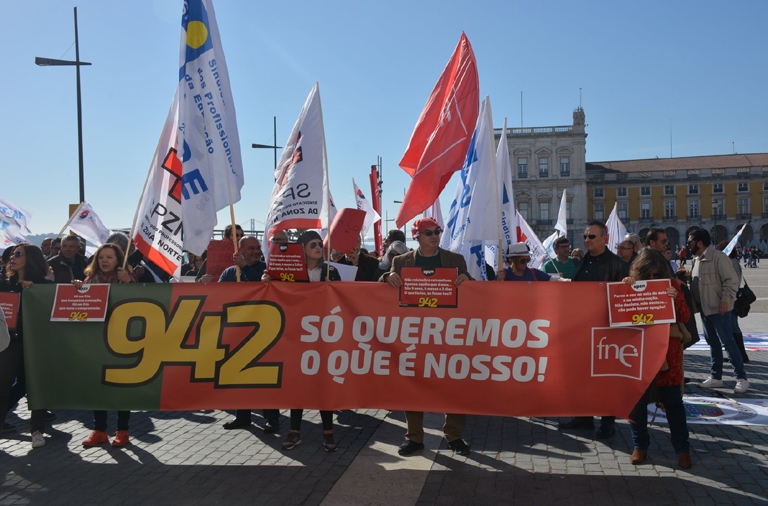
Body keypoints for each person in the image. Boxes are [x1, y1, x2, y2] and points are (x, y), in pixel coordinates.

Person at [379, 218, 472, 457]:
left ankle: (454, 435)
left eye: (437, 232)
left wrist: (467, 281)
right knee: (413, 384)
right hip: (414, 333)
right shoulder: (401, 261)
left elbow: (472, 287)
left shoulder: (455, 260)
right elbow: (382, 282)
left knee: (453, 383)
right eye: (428, 232)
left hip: (448, 333)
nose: (434, 236)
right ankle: (414, 437)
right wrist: (387, 279)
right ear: (416, 236)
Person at [262, 231, 341, 452]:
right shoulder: (288, 272)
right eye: (313, 244)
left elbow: (344, 297)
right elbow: (276, 293)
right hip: (297, 334)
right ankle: (295, 430)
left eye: (320, 244)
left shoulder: (330, 271)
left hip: (324, 334)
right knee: (298, 383)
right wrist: (267, 281)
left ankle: (328, 431)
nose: (318, 247)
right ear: (302, 248)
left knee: (322, 383)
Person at [623, 249, 692, 469]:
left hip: (668, 354)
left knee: (673, 403)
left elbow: (685, 317)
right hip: (640, 352)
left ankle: (682, 450)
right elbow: (619, 314)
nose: (653, 279)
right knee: (637, 403)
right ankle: (639, 446)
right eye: (648, 275)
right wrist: (624, 290)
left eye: (656, 274)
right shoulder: (632, 285)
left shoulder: (672, 285)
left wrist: (675, 298)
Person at [560, 221, 629, 439]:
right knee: (581, 375)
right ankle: (583, 417)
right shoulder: (582, 261)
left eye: (592, 237)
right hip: (582, 327)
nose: (587, 240)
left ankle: (608, 422)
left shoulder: (617, 264)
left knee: (606, 378)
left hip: (606, 329)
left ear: (605, 238)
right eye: (585, 237)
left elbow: (625, 298)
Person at [75, 243, 138, 447]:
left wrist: (129, 283)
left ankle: (122, 430)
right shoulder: (89, 280)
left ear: (119, 260)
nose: (104, 261)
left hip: (122, 340)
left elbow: (141, 301)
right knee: (98, 387)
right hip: (96, 341)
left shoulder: (129, 279)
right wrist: (78, 289)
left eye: (110, 257)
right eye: (101, 257)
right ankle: (100, 430)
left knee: (122, 387)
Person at [218, 236, 280, 432]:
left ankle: (271, 418)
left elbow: (261, 288)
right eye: (251, 248)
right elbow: (216, 297)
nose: (255, 251)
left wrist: (244, 267)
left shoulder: (266, 270)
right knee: (239, 378)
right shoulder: (229, 273)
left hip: (262, 333)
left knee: (263, 379)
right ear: (241, 250)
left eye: (257, 248)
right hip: (236, 331)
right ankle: (242, 416)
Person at [0, 244, 52, 448]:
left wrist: (38, 291)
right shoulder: (4, 283)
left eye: (18, 254)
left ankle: (37, 431)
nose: (13, 257)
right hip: (10, 342)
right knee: (3, 387)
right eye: (13, 254)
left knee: (36, 386)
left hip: (36, 343)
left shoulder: (43, 285)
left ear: (30, 258)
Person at [683, 229, 747, 393]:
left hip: (720, 309)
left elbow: (731, 281)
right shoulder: (696, 260)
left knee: (728, 343)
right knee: (713, 344)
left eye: (690, 242)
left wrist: (725, 300)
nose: (688, 244)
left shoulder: (718, 257)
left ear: (699, 242)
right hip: (705, 310)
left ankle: (741, 378)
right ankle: (716, 377)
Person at [715, 241, 749, 364]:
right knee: (733, 326)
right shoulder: (732, 261)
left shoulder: (731, 262)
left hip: (732, 299)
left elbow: (733, 282)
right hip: (732, 298)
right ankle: (739, 355)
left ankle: (741, 356)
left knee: (733, 327)